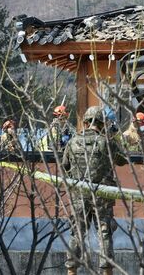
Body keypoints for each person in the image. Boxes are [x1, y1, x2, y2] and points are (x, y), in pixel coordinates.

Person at [62, 106, 128, 275]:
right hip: (102, 195)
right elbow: (123, 160)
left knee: (77, 232)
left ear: (85, 122)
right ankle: (106, 272)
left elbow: (65, 165)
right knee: (104, 233)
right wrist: (113, 137)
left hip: (79, 194)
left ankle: (71, 271)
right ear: (103, 123)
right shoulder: (106, 142)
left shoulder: (73, 141)